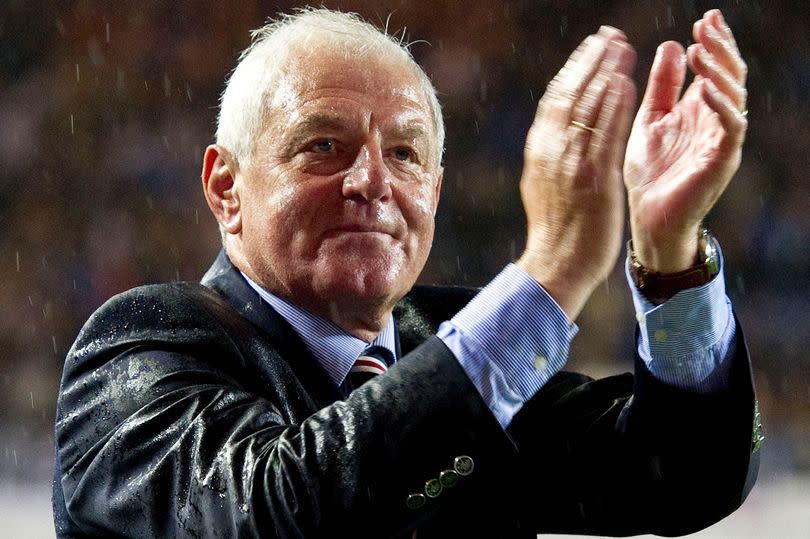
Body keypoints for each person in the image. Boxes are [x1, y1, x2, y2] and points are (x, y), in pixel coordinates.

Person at [53, 7, 759, 538]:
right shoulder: (139, 346)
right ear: (226, 187)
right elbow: (273, 515)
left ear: (436, 191)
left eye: (405, 153)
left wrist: (671, 259)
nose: (372, 180)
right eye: (324, 144)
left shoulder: (452, 339)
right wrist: (550, 275)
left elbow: (683, 477)